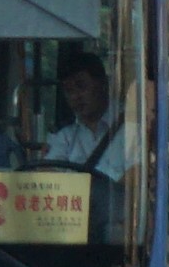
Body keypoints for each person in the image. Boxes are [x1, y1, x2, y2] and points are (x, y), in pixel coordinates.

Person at [43, 49, 131, 182]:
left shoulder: (131, 125)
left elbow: (135, 177)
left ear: (103, 84)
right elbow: (47, 176)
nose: (75, 96)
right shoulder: (66, 136)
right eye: (69, 90)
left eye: (81, 86)